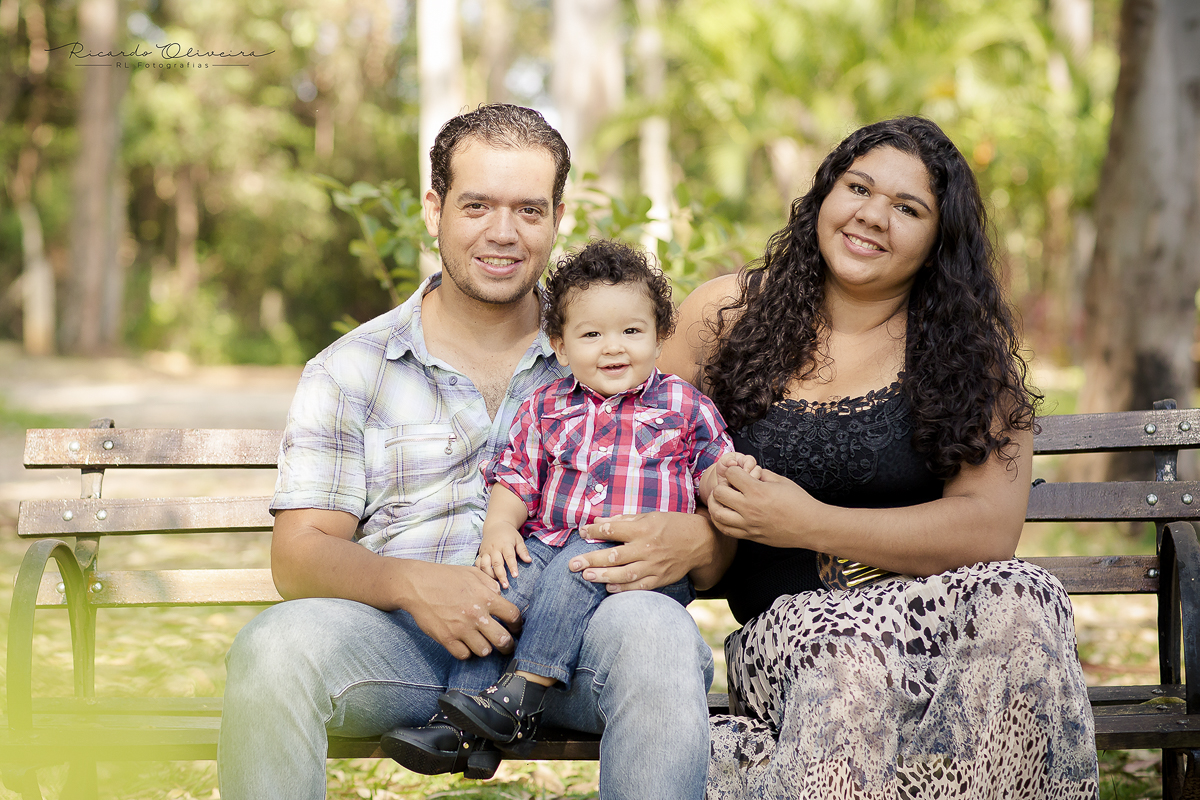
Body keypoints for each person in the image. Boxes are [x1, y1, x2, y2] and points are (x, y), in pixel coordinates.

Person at [216, 105, 716, 800]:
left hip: (575, 642)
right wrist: (415, 586)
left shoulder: (612, 354)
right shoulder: (352, 368)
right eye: (477, 205)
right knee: (273, 648)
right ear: (435, 209)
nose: (503, 233)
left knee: (659, 631)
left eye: (529, 210)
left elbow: (709, 527)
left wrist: (696, 537)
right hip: (402, 644)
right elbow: (298, 555)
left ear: (558, 217)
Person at [656, 117, 1100, 798]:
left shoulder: (965, 352)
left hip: (937, 637)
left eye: (907, 208)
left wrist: (809, 523)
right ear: (825, 195)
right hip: (800, 640)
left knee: (1026, 594)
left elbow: (988, 530)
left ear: (937, 241)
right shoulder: (726, 314)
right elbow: (637, 444)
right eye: (858, 187)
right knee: (849, 654)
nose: (872, 216)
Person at [385, 240, 748, 764]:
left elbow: (712, 470)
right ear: (560, 345)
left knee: (581, 560)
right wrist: (500, 530)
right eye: (591, 334)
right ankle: (461, 721)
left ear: (660, 336)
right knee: (500, 592)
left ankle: (523, 694)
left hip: (640, 562)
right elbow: (517, 476)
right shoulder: (548, 405)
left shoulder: (683, 405)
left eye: (631, 331)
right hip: (550, 544)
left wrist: (729, 478)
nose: (613, 347)